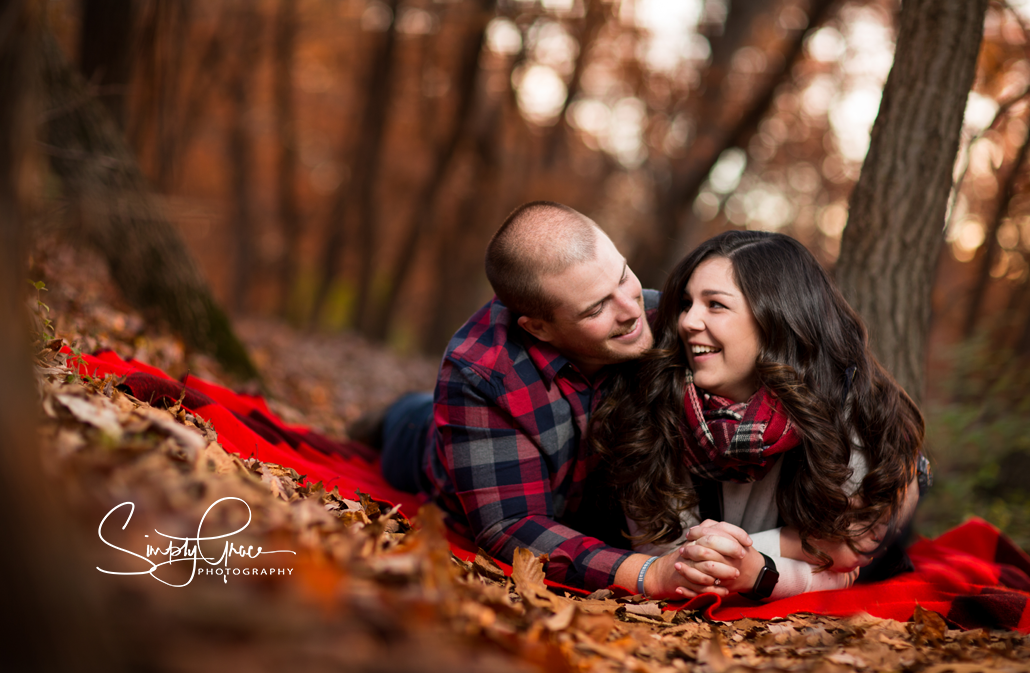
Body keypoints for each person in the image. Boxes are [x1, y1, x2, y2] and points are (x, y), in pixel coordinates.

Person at [369, 201, 748, 596]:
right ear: (539, 328)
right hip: (431, 453)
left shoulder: (664, 316)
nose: (630, 310)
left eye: (622, 277)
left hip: (591, 499)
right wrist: (649, 573)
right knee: (404, 422)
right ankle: (386, 418)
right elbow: (511, 524)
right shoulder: (480, 372)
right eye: (597, 307)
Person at [590, 229, 929, 602]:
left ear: (776, 319)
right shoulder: (650, 402)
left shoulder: (852, 406)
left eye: (715, 304)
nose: (687, 321)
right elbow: (667, 557)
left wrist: (756, 569)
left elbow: (849, 558)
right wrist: (779, 553)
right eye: (687, 303)